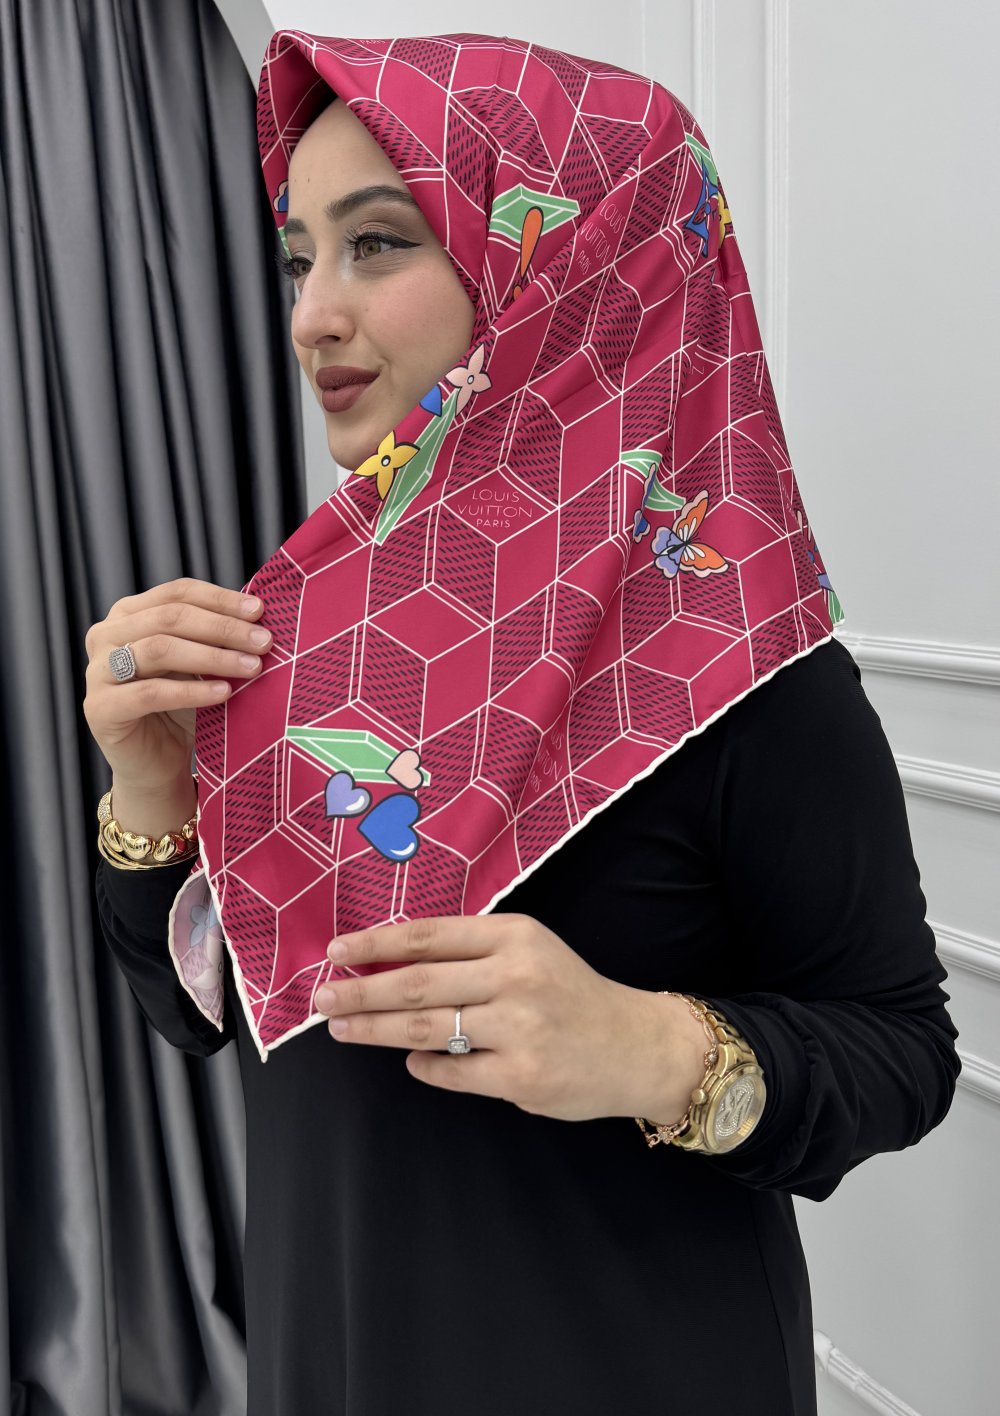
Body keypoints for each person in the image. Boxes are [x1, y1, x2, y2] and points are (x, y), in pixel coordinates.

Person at [84, 30, 960, 1416]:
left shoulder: (748, 665)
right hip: (333, 1349)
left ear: (575, 261)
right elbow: (206, 1018)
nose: (311, 315)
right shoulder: (296, 631)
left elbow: (902, 1053)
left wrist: (649, 1050)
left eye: (379, 243)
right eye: (302, 257)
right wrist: (148, 794)